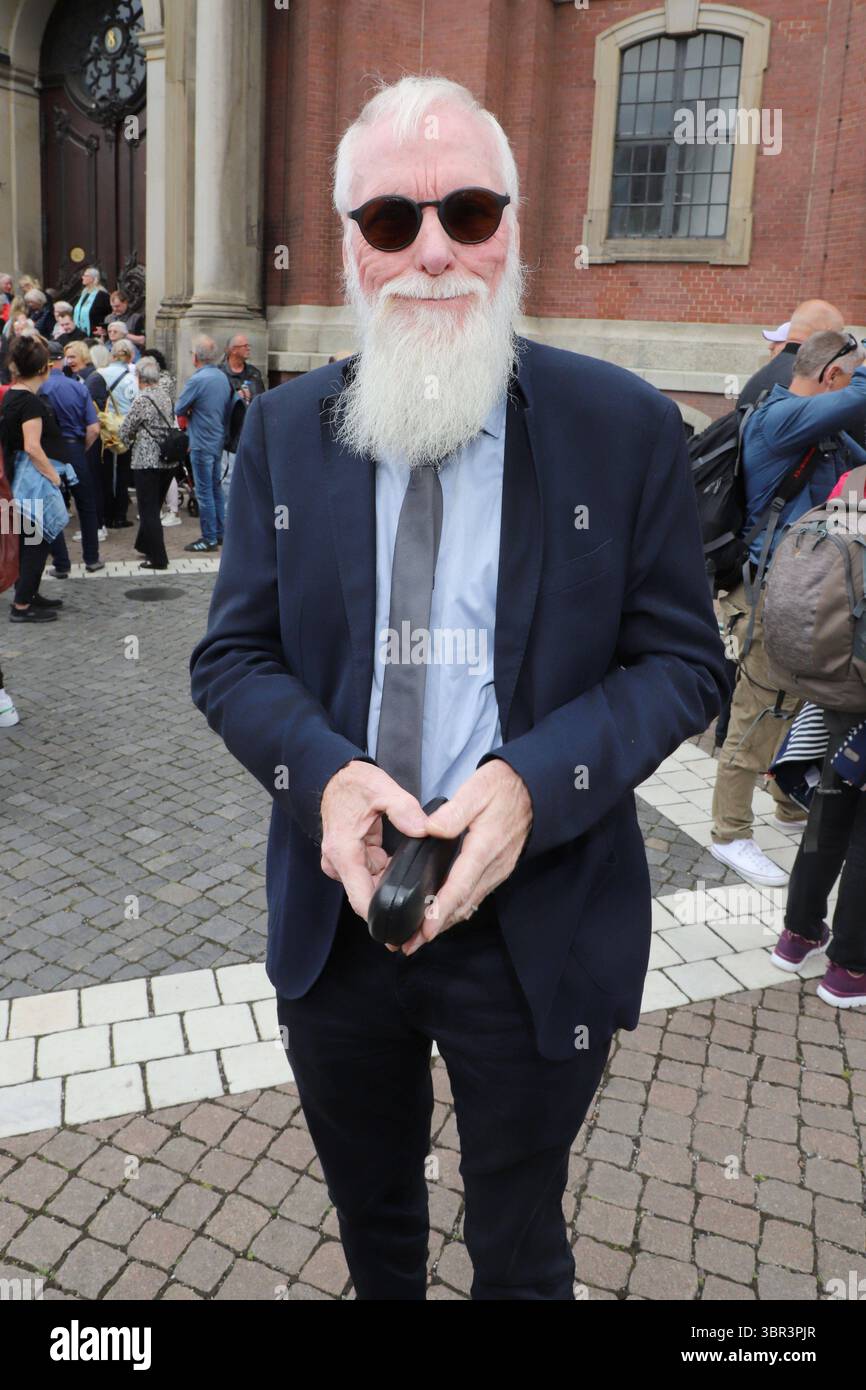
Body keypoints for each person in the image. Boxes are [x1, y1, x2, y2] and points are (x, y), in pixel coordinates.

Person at [190, 74, 729, 1302]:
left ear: (513, 230)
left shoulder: (624, 427)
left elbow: (683, 663)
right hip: (340, 921)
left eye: (468, 213)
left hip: (537, 927)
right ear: (351, 250)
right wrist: (324, 781)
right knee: (373, 1225)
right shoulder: (282, 432)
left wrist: (531, 788)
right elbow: (231, 657)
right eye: (392, 222)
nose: (433, 252)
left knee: (518, 1244)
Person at [710, 332, 866, 886]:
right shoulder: (784, 417)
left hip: (801, 598)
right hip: (763, 597)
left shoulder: (818, 429)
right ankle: (729, 832)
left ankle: (786, 799)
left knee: (797, 704)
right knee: (757, 712)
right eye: (853, 373)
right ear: (831, 378)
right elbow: (858, 400)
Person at [0, 334, 69, 623]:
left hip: (13, 485)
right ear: (45, 369)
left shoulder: (12, 395)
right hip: (30, 487)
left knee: (27, 542)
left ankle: (29, 593)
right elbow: (32, 446)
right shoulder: (29, 402)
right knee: (36, 544)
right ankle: (22, 605)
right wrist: (55, 477)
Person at [39, 340, 104, 577]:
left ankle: (62, 563)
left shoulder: (40, 388)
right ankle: (92, 558)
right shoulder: (78, 387)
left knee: (52, 507)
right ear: (61, 360)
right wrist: (81, 449)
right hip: (76, 449)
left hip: (49, 453)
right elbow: (94, 428)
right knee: (86, 505)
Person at [119, 356, 177, 571]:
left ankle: (158, 558)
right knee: (154, 505)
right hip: (168, 460)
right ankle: (144, 544)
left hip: (146, 461)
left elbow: (126, 430)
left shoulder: (142, 400)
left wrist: (125, 442)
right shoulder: (166, 396)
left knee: (148, 510)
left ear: (140, 378)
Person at [175, 335, 232, 552]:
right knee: (215, 489)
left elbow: (179, 408)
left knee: (205, 491)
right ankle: (219, 533)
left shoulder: (198, 380)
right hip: (216, 439)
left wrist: (191, 410)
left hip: (200, 441)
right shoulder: (221, 377)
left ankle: (208, 537)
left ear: (196, 356)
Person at [736, 300, 844, 409]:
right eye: (839, 333)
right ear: (827, 331)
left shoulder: (760, 376)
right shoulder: (809, 380)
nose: (842, 342)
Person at [218, 333, 266, 515]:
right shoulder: (220, 374)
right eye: (244, 346)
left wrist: (251, 397)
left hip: (249, 432)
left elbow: (262, 399)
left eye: (248, 345)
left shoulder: (254, 373)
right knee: (227, 477)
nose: (248, 348)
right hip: (229, 433)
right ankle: (228, 516)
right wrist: (233, 398)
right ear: (232, 350)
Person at [99, 339, 138, 528]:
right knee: (123, 471)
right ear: (130, 356)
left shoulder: (100, 374)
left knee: (106, 471)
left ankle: (107, 513)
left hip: (105, 428)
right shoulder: (132, 379)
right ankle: (120, 514)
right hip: (125, 428)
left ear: (112, 355)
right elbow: (134, 406)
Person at [73, 267, 111, 337]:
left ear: (93, 278)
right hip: (79, 334)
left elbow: (109, 313)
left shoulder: (102, 295)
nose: (82, 277)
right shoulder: (84, 294)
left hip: (95, 333)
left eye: (85, 275)